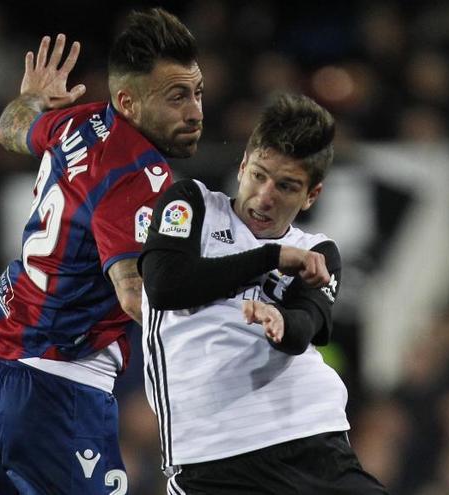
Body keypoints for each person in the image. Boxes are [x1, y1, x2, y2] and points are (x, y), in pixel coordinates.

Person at [0, 8, 203, 495]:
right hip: (60, 391)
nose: (194, 111)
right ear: (128, 100)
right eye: (176, 97)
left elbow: (9, 129)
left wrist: (32, 98)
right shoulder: (139, 174)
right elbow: (135, 294)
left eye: (197, 93)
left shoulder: (78, 122)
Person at [139, 94, 388, 494]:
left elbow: (304, 329)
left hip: (311, 440)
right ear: (242, 167)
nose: (265, 195)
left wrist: (281, 321)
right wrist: (270, 256)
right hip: (213, 455)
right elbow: (166, 285)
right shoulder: (192, 204)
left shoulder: (318, 251)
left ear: (311, 195)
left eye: (286, 186)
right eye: (259, 175)